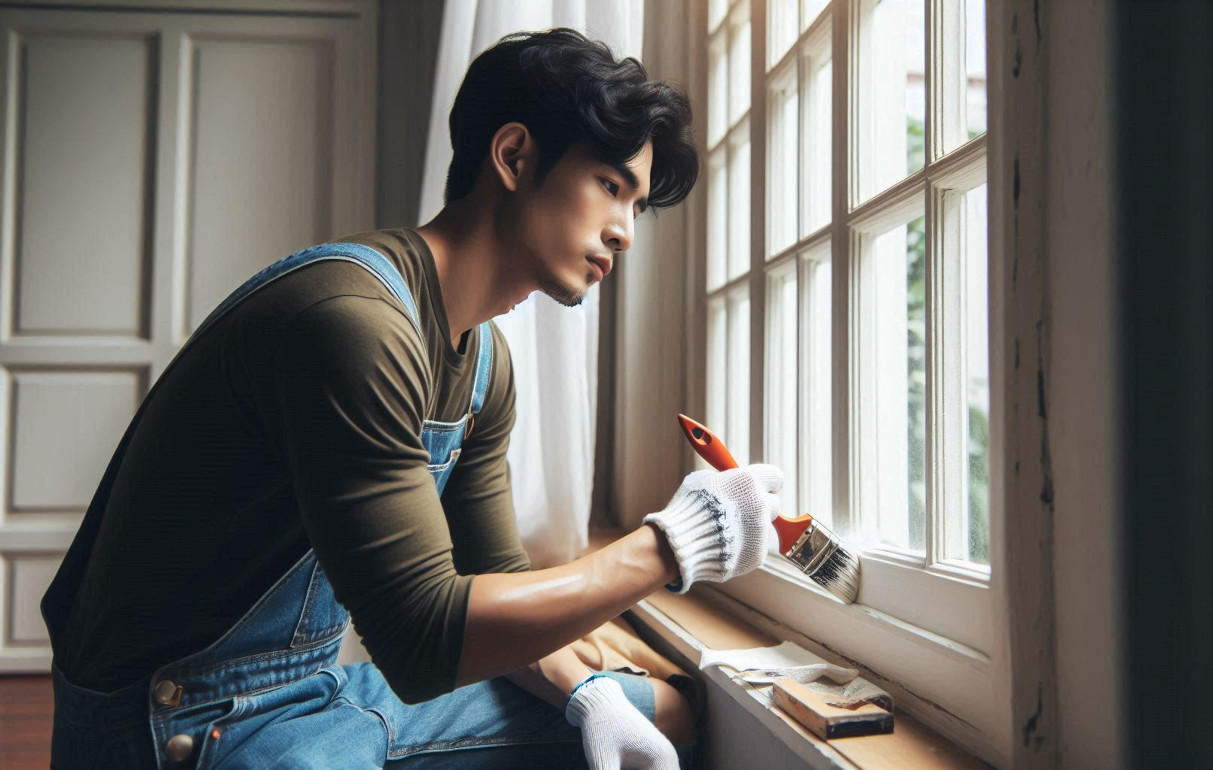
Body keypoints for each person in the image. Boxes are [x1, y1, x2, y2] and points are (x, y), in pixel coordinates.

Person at [41, 28, 783, 769]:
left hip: (313, 690)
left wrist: (585, 693)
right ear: (515, 156)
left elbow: (494, 592)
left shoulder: (486, 365)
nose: (624, 232)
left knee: (669, 713)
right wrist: (679, 543)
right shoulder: (352, 324)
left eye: (637, 206)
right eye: (611, 186)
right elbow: (424, 643)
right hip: (178, 717)